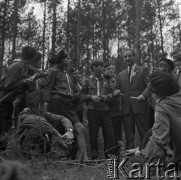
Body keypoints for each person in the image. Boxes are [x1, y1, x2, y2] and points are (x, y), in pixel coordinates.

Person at [43, 49, 88, 162]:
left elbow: (74, 92)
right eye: (67, 58)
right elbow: (48, 88)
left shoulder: (68, 74)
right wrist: (46, 104)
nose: (69, 60)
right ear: (61, 60)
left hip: (68, 104)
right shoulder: (53, 71)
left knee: (80, 128)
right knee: (57, 128)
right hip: (57, 102)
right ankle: (57, 156)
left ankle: (84, 158)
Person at [126, 72, 181, 164]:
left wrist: (141, 153)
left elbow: (159, 139)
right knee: (150, 132)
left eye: (152, 92)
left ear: (157, 93)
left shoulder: (162, 108)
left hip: (176, 156)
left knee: (131, 160)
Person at [0, 46, 42, 135]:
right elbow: (8, 86)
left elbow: (37, 71)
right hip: (3, 100)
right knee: (3, 129)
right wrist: (25, 81)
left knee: (6, 127)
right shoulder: (17, 66)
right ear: (33, 57)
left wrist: (36, 75)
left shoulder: (24, 65)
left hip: (8, 101)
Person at [115, 49, 151, 149]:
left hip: (140, 107)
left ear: (134, 57)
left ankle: (147, 154)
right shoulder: (121, 74)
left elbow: (149, 85)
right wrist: (116, 91)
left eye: (130, 56)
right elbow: (117, 87)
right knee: (129, 136)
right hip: (126, 109)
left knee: (144, 133)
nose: (127, 58)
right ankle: (130, 159)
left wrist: (143, 96)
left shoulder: (144, 69)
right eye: (125, 57)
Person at [81, 60, 115, 159]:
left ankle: (109, 158)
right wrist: (91, 97)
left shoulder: (107, 80)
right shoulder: (86, 80)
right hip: (92, 111)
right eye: (101, 66)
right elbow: (81, 96)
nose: (103, 68)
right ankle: (95, 158)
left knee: (110, 134)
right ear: (94, 68)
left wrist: (105, 97)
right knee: (93, 135)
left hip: (105, 110)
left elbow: (113, 95)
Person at [104, 62, 122, 155]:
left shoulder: (117, 80)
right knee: (109, 135)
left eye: (112, 68)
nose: (111, 70)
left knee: (118, 134)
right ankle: (109, 154)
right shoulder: (103, 81)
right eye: (108, 68)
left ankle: (118, 153)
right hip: (106, 112)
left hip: (117, 111)